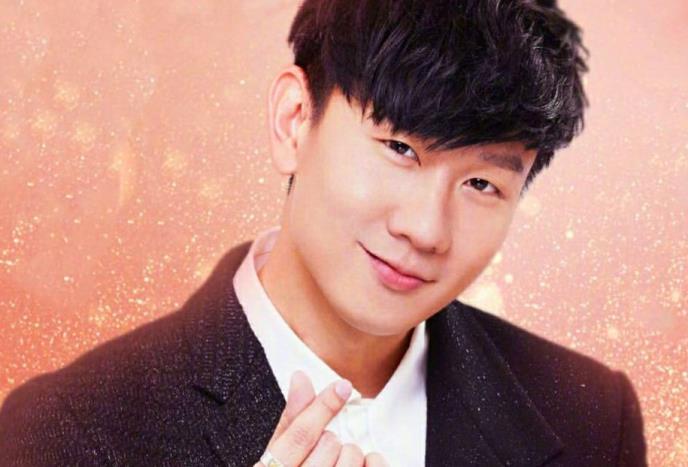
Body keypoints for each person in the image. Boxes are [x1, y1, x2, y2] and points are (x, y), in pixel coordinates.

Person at [0, 0, 648, 466]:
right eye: (399, 148)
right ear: (293, 120)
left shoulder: (590, 417)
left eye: (481, 184)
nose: (426, 229)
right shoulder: (68, 433)